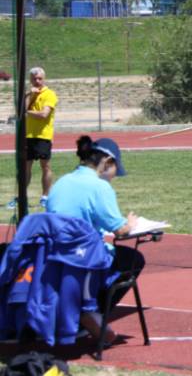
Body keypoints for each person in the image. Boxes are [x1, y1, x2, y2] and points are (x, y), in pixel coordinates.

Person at [46, 136, 144, 343]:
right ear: (107, 163)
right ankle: (92, 313)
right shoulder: (99, 187)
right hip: (85, 257)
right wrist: (131, 223)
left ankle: (77, 311)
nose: (114, 177)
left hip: (56, 253)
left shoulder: (62, 182)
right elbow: (119, 230)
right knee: (133, 259)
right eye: (115, 171)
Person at [9, 67, 58, 210]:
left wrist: (27, 112)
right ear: (30, 80)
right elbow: (20, 111)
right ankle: (20, 197)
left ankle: (45, 197)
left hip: (43, 136)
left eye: (40, 78)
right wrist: (30, 95)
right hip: (27, 136)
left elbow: (43, 114)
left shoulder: (50, 94)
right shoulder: (28, 95)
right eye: (34, 79)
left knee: (45, 166)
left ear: (44, 79)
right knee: (25, 168)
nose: (37, 81)